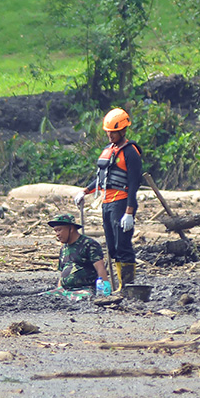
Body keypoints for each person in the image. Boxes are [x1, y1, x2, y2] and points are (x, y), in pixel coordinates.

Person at [74, 107, 142, 290]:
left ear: (122, 130)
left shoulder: (130, 151)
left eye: (113, 133)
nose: (110, 136)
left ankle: (127, 287)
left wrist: (130, 212)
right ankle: (120, 285)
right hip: (107, 203)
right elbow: (102, 178)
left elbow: (135, 183)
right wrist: (85, 191)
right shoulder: (109, 150)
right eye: (108, 132)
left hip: (122, 202)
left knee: (123, 246)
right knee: (112, 247)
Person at [48, 213, 110, 294]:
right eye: (55, 231)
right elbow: (63, 272)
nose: (57, 234)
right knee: (42, 298)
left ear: (71, 229)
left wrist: (105, 289)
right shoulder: (64, 248)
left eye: (59, 230)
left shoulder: (89, 244)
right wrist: (59, 289)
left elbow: (100, 268)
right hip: (66, 290)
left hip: (85, 289)